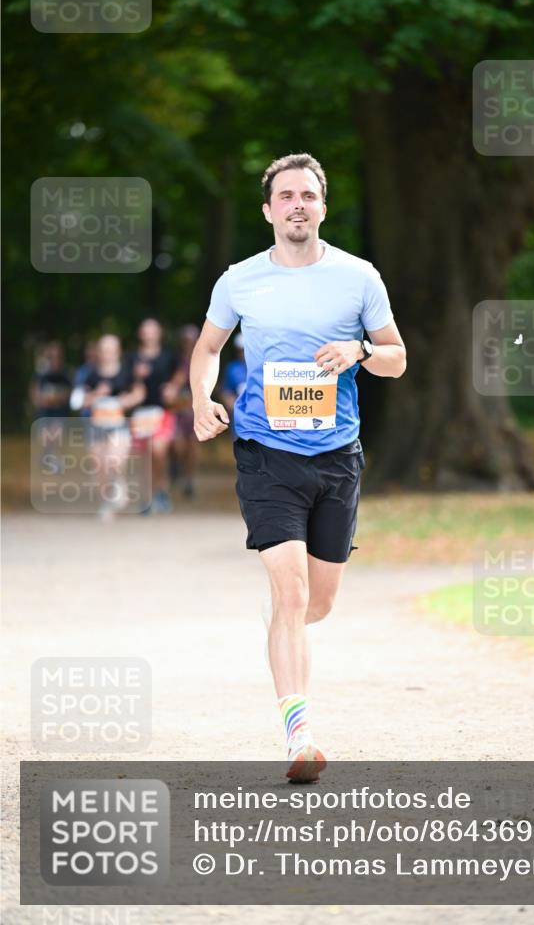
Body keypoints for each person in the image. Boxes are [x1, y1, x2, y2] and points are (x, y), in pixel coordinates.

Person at [190, 153, 406, 783]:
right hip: (265, 454)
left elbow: (397, 357)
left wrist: (360, 350)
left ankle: (285, 626)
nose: (297, 205)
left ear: (322, 206)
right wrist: (202, 399)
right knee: (290, 593)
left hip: (337, 456)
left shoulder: (358, 277)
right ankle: (300, 734)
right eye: (285, 196)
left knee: (318, 601)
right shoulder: (239, 281)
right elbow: (208, 348)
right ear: (268, 210)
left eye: (308, 195)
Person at [81, 334, 145, 521]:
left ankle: (119, 488)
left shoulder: (126, 371)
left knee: (114, 462)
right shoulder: (91, 374)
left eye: (111, 349)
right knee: (99, 467)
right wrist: (96, 394)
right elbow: (82, 401)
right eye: (103, 349)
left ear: (117, 351)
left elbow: (140, 393)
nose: (107, 353)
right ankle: (107, 502)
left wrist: (123, 401)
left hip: (120, 425)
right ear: (99, 352)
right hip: (97, 425)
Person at [128, 318, 179, 513]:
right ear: (140, 334)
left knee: (158, 451)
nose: (149, 334)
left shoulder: (167, 356)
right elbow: (124, 381)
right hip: (140, 412)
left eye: (153, 330)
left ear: (159, 333)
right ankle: (149, 496)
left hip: (162, 410)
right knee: (145, 455)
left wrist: (173, 387)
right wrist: (136, 377)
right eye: (145, 330)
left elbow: (180, 373)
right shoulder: (132, 358)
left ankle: (161, 490)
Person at [163, 324, 200, 498]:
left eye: (192, 340)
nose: (189, 344)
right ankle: (175, 468)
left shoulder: (203, 359)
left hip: (193, 409)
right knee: (177, 445)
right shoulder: (173, 360)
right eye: (186, 341)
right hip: (176, 409)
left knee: (192, 445)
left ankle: (189, 480)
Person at [30, 341, 71, 418]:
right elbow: (35, 397)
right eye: (52, 357)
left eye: (58, 356)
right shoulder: (41, 374)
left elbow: (67, 397)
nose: (55, 360)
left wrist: (48, 398)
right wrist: (56, 398)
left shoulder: (66, 374)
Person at [220, 332, 247, 440]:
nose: (243, 353)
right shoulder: (232, 368)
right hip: (240, 417)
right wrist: (231, 403)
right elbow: (226, 391)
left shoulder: (262, 366)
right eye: (240, 350)